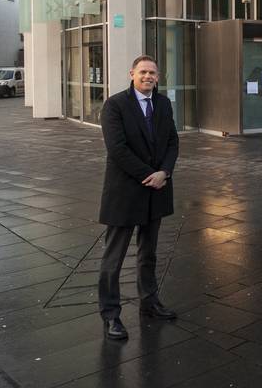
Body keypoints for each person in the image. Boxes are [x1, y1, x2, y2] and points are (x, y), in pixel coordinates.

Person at [97, 55, 180, 340]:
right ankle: (111, 314)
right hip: (125, 191)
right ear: (132, 73)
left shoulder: (163, 104)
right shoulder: (115, 105)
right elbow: (117, 149)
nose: (148, 77)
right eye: (143, 71)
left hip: (156, 191)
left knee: (149, 253)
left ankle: (149, 302)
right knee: (114, 258)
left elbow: (172, 141)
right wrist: (150, 174)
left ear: (158, 76)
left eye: (152, 73)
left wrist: (164, 172)